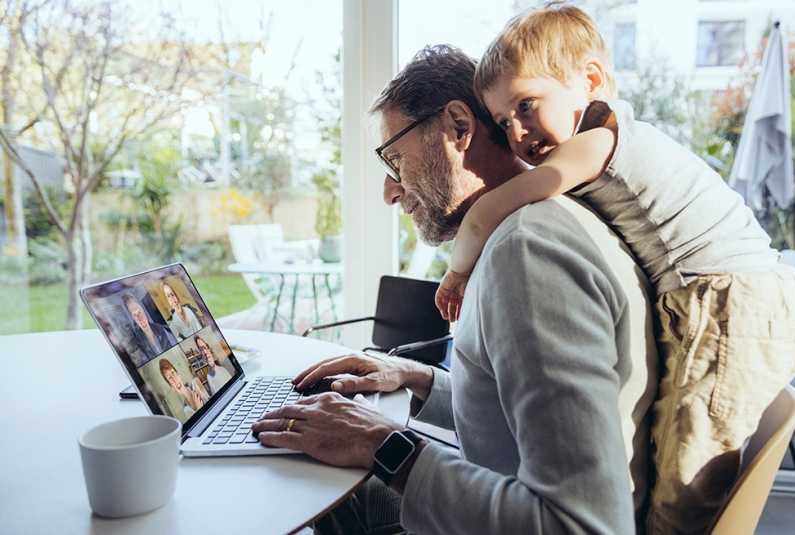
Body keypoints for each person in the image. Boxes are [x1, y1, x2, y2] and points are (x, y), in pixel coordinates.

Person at [432, 5, 795, 534]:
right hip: (728, 296)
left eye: (526, 104)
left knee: (686, 486)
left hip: (731, 300)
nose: (518, 132)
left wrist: (456, 272)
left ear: (590, 81)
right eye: (503, 121)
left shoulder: (598, 139)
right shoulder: (608, 140)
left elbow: (497, 206)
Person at [252, 44, 658, 535]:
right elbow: (505, 418)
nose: (390, 191)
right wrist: (414, 377)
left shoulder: (527, 256)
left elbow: (583, 525)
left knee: (322, 485)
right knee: (330, 477)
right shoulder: (526, 232)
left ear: (459, 128)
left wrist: (385, 445)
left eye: (394, 159)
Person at [123, 293, 177, 366]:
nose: (140, 317)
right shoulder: (136, 343)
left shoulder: (161, 329)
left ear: (143, 310)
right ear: (132, 318)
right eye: (135, 315)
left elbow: (174, 352)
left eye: (139, 312)